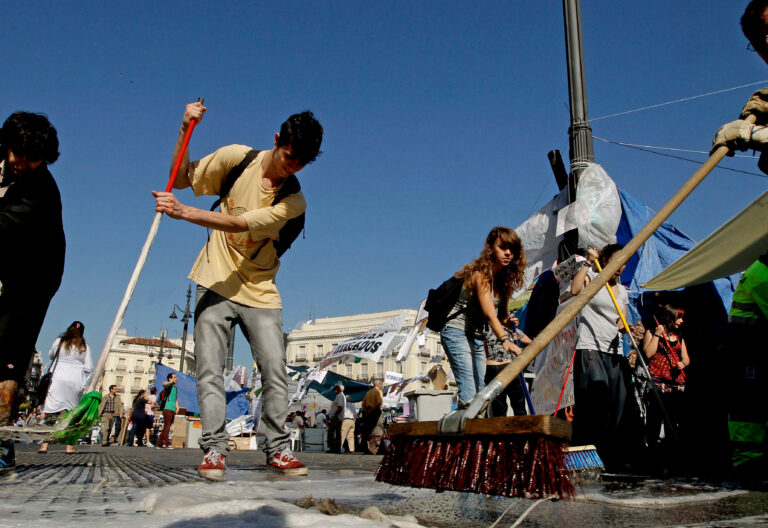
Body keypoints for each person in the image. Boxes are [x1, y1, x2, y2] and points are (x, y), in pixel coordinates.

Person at [153, 101, 323, 479]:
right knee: (209, 371)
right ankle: (214, 451)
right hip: (215, 278)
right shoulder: (238, 159)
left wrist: (183, 213)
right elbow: (181, 179)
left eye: (302, 162)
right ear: (277, 140)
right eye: (290, 155)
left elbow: (240, 224)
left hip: (260, 289)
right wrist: (184, 128)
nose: (292, 166)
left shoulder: (294, 201)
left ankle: (277, 450)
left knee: (275, 370)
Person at [0, 111, 64, 471]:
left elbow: (5, 227)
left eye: (34, 160)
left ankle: (1, 440)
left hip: (31, 278)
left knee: (8, 354)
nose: (23, 164)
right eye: (19, 155)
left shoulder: (41, 189)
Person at [441, 227, 526, 404]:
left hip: (477, 335)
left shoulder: (503, 281)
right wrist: (505, 340)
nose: (508, 253)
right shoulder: (480, 275)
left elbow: (500, 315)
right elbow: (489, 314)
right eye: (503, 247)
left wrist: (508, 322)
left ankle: (474, 427)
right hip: (456, 331)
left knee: (481, 393)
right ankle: (467, 429)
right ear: (490, 249)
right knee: (470, 391)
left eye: (512, 249)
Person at [570, 244, 630, 469]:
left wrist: (625, 327)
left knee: (616, 404)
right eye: (616, 261)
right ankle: (584, 451)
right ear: (604, 260)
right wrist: (587, 262)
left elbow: (620, 319)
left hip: (613, 350)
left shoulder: (622, 290)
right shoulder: (594, 277)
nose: (620, 267)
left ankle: (609, 455)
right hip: (590, 346)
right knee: (595, 399)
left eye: (624, 262)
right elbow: (575, 291)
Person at [726, 251, 768, 475]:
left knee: (754, 406)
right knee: (749, 408)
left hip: (753, 350)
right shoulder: (761, 275)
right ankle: (747, 461)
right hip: (748, 351)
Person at [642, 304, 690, 457]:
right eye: (679, 317)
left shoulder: (679, 336)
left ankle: (671, 454)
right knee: (654, 419)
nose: (682, 321)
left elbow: (686, 358)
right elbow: (648, 354)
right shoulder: (651, 332)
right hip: (657, 382)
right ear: (670, 317)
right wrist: (657, 335)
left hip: (675, 384)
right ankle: (652, 453)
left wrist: (682, 363)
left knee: (674, 420)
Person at [38, 321, 93, 455]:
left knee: (51, 413)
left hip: (58, 380)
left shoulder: (59, 342)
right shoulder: (85, 347)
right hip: (75, 381)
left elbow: (51, 355)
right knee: (71, 414)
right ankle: (69, 446)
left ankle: (44, 445)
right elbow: (89, 368)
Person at [360, 379, 384, 454]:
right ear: (378, 384)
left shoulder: (368, 393)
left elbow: (363, 404)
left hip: (368, 412)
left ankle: (367, 448)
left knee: (368, 430)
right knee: (378, 430)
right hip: (376, 411)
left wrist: (367, 411)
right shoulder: (378, 392)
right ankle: (377, 448)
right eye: (381, 384)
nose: (382, 386)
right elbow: (379, 403)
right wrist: (372, 410)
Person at [156, 373, 179, 449]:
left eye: (176, 377)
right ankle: (167, 443)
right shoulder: (168, 386)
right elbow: (164, 383)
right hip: (167, 408)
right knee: (167, 426)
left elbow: (175, 399)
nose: (176, 379)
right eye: (174, 377)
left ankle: (159, 443)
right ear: (170, 378)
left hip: (173, 409)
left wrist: (177, 407)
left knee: (167, 426)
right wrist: (170, 382)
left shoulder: (175, 388)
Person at [328, 385, 345, 453]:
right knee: (337, 433)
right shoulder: (341, 396)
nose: (335, 391)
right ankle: (337, 448)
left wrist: (335, 415)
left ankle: (333, 448)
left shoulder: (340, 396)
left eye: (336, 389)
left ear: (339, 389)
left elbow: (340, 407)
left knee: (331, 432)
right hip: (338, 417)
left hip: (336, 417)